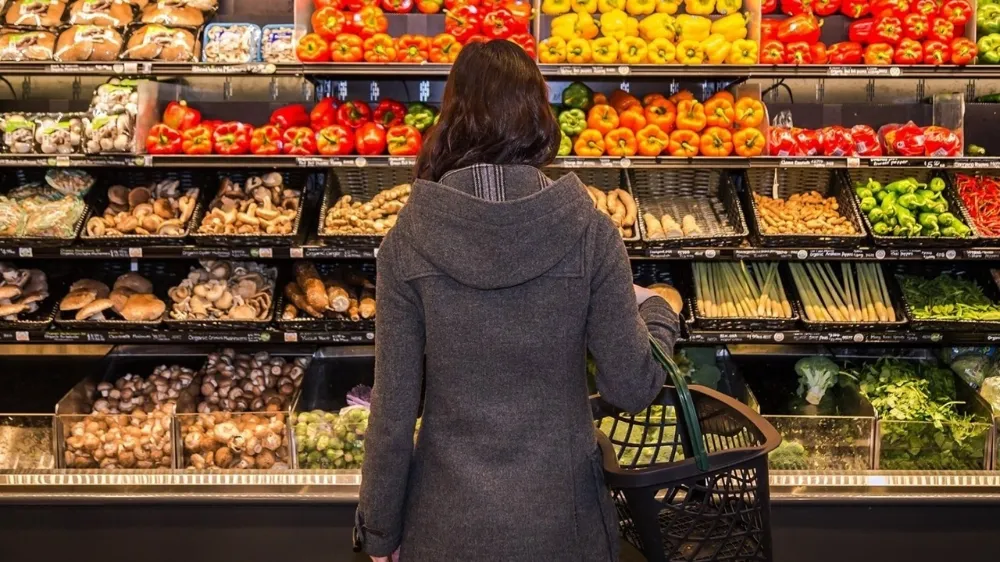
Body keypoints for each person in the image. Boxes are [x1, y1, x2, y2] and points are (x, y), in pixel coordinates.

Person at [355, 39, 681, 562]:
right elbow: (632, 386)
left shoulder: (407, 239)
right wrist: (661, 311)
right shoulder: (591, 232)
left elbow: (391, 413)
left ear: (452, 116)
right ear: (539, 114)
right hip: (564, 526)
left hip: (444, 527)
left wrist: (380, 534)